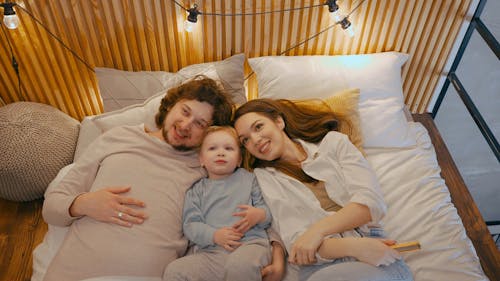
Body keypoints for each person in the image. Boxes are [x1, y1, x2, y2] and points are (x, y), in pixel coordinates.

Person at [41, 76, 237, 281]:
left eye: (200, 123)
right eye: (185, 111)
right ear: (171, 106)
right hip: (76, 274)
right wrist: (83, 204)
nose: (186, 125)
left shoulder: (206, 169)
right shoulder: (118, 137)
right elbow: (52, 207)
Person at [233, 98, 414, 281]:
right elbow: (298, 244)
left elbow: (369, 203)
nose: (255, 140)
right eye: (245, 140)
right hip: (321, 264)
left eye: (258, 127)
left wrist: (316, 232)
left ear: (279, 121)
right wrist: (355, 247)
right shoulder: (264, 178)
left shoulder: (334, 143)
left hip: (374, 250)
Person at [164, 126, 272, 281]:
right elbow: (191, 225)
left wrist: (260, 215)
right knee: (175, 271)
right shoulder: (197, 190)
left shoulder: (249, 179)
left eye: (228, 148)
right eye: (212, 148)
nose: (221, 152)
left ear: (239, 160)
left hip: (250, 246)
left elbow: (267, 211)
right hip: (213, 253)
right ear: (201, 159)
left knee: (240, 266)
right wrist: (214, 235)